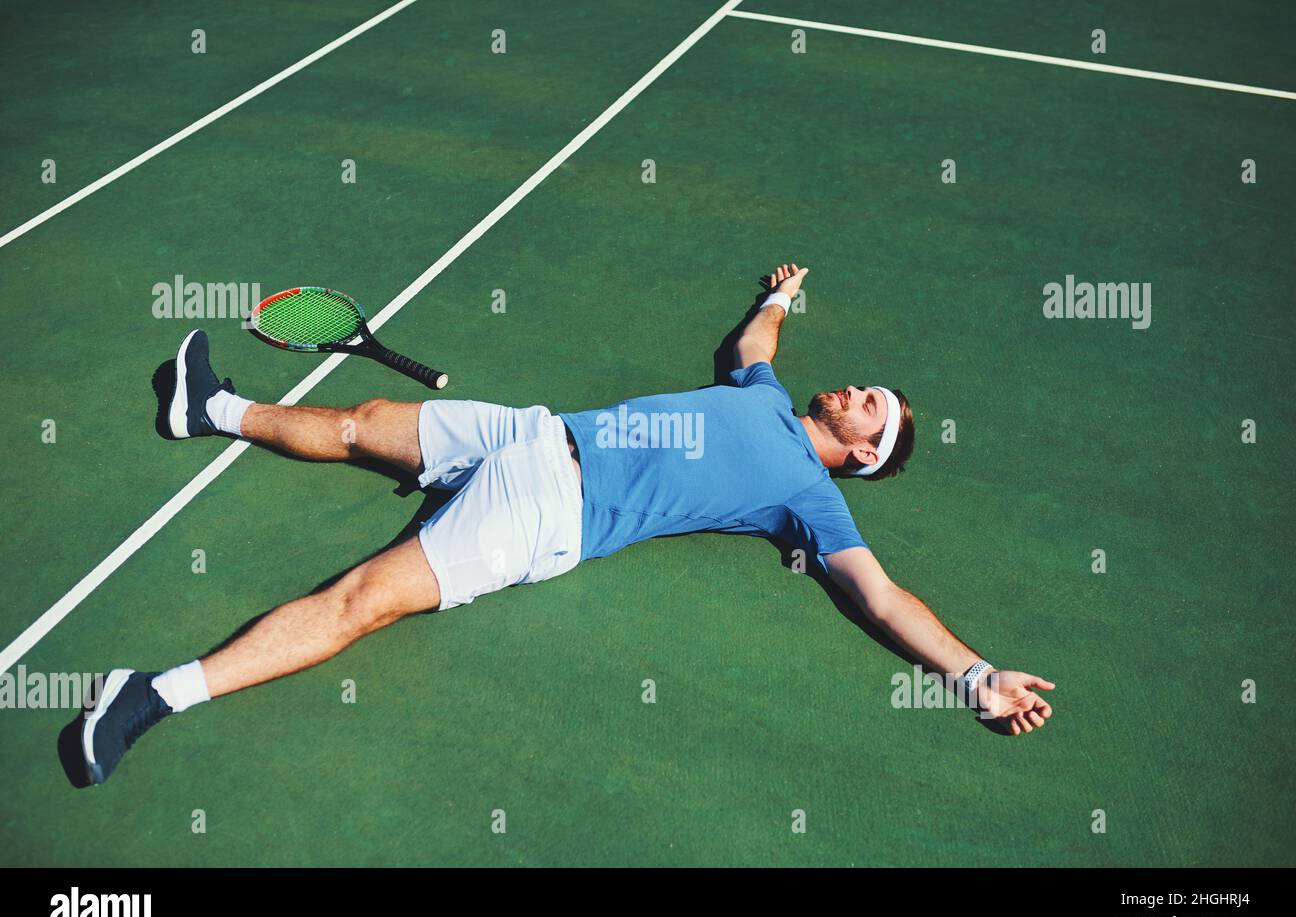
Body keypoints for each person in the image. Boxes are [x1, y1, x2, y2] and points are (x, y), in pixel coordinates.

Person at [81, 263, 1054, 785]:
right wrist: (777, 299)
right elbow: (750, 345)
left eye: (871, 410)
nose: (858, 393)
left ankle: (150, 696)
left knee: (359, 600)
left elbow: (880, 596)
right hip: (538, 433)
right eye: (869, 391)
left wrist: (970, 672)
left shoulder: (811, 498)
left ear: (863, 453)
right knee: (360, 424)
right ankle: (207, 409)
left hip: (550, 511)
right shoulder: (764, 394)